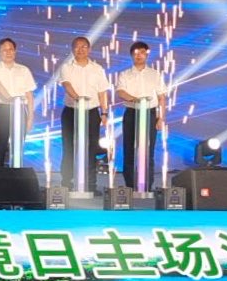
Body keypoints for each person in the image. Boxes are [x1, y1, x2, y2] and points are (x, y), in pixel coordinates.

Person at [116, 40, 168, 192]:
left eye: (142, 53)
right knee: (129, 150)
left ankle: (147, 185)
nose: (139, 56)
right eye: (136, 53)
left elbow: (162, 97)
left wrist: (161, 118)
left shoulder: (155, 74)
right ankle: (130, 186)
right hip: (132, 112)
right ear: (131, 55)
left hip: (149, 114)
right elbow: (120, 92)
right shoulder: (125, 74)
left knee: (147, 151)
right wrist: (134, 99)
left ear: (147, 55)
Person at [58, 36, 109, 193]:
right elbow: (66, 84)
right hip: (71, 111)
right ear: (73, 49)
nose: (80, 50)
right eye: (77, 47)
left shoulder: (97, 69)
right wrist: (78, 98)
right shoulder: (66, 67)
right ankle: (67, 183)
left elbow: (102, 92)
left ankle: (90, 185)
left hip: (91, 112)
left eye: (84, 47)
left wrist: (104, 112)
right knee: (69, 147)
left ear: (89, 49)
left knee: (91, 148)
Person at [0, 37, 36, 167]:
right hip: (2, 109)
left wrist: (30, 117)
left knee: (18, 146)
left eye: (11, 49)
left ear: (15, 51)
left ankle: (16, 173)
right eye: (5, 50)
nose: (8, 52)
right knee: (0, 145)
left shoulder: (24, 70)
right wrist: (12, 100)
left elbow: (29, 95)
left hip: (20, 110)